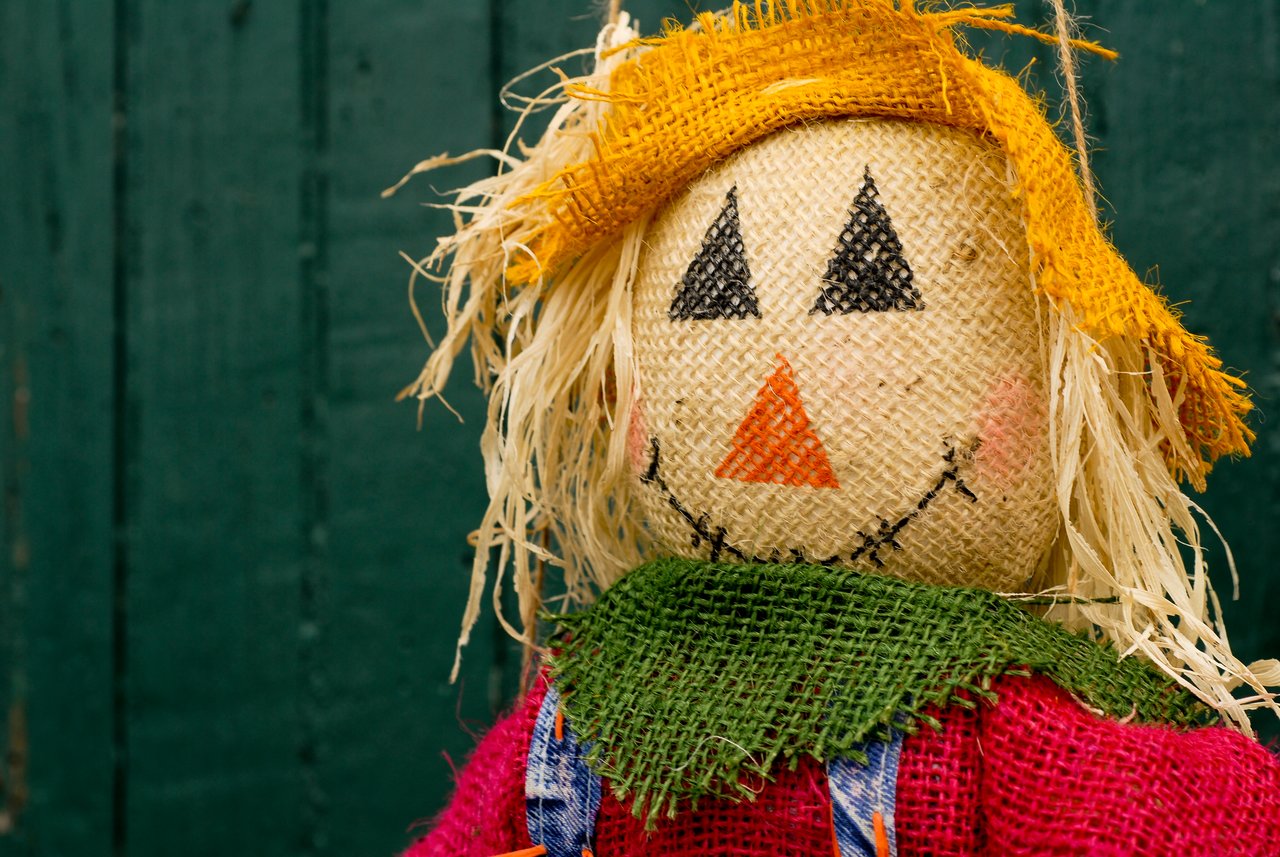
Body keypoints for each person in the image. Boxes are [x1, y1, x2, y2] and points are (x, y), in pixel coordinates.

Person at [390, 3, 1280, 854]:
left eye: (873, 283)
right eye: (715, 292)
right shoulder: (588, 697)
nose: (776, 398)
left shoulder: (981, 718)